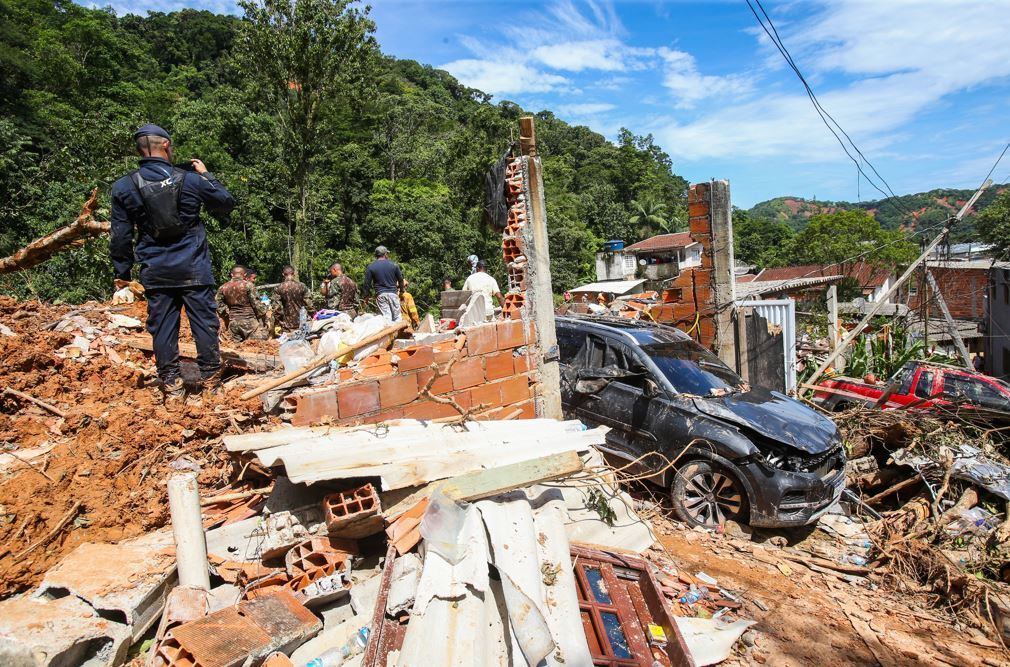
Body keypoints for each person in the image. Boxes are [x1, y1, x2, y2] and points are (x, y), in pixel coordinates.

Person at [110, 124, 235, 401]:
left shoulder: (124, 186)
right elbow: (225, 203)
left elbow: (120, 235)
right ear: (166, 145)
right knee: (204, 323)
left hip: (155, 269)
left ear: (139, 150)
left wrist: (122, 272)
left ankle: (172, 386)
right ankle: (211, 384)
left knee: (163, 327)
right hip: (193, 266)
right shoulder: (190, 179)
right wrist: (207, 175)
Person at [216, 266, 267, 342]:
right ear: (245, 274)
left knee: (236, 346)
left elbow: (218, 305)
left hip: (233, 324)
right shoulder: (248, 285)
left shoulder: (223, 287)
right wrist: (264, 315)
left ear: (231, 274)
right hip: (249, 322)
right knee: (259, 342)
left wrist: (226, 316)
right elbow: (257, 305)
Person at [362, 246, 404, 323]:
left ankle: (389, 330)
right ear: (385, 254)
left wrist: (366, 297)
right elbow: (400, 280)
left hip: (381, 295)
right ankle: (399, 330)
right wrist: (401, 291)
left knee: (386, 318)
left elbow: (366, 284)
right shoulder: (394, 265)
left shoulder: (371, 267)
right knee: (397, 318)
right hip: (393, 294)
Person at [271, 265, 311, 332]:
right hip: (302, 323)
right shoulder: (302, 286)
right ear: (294, 274)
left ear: (283, 274)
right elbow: (309, 304)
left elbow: (277, 308)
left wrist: (278, 321)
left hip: (287, 325)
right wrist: (313, 315)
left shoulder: (278, 288)